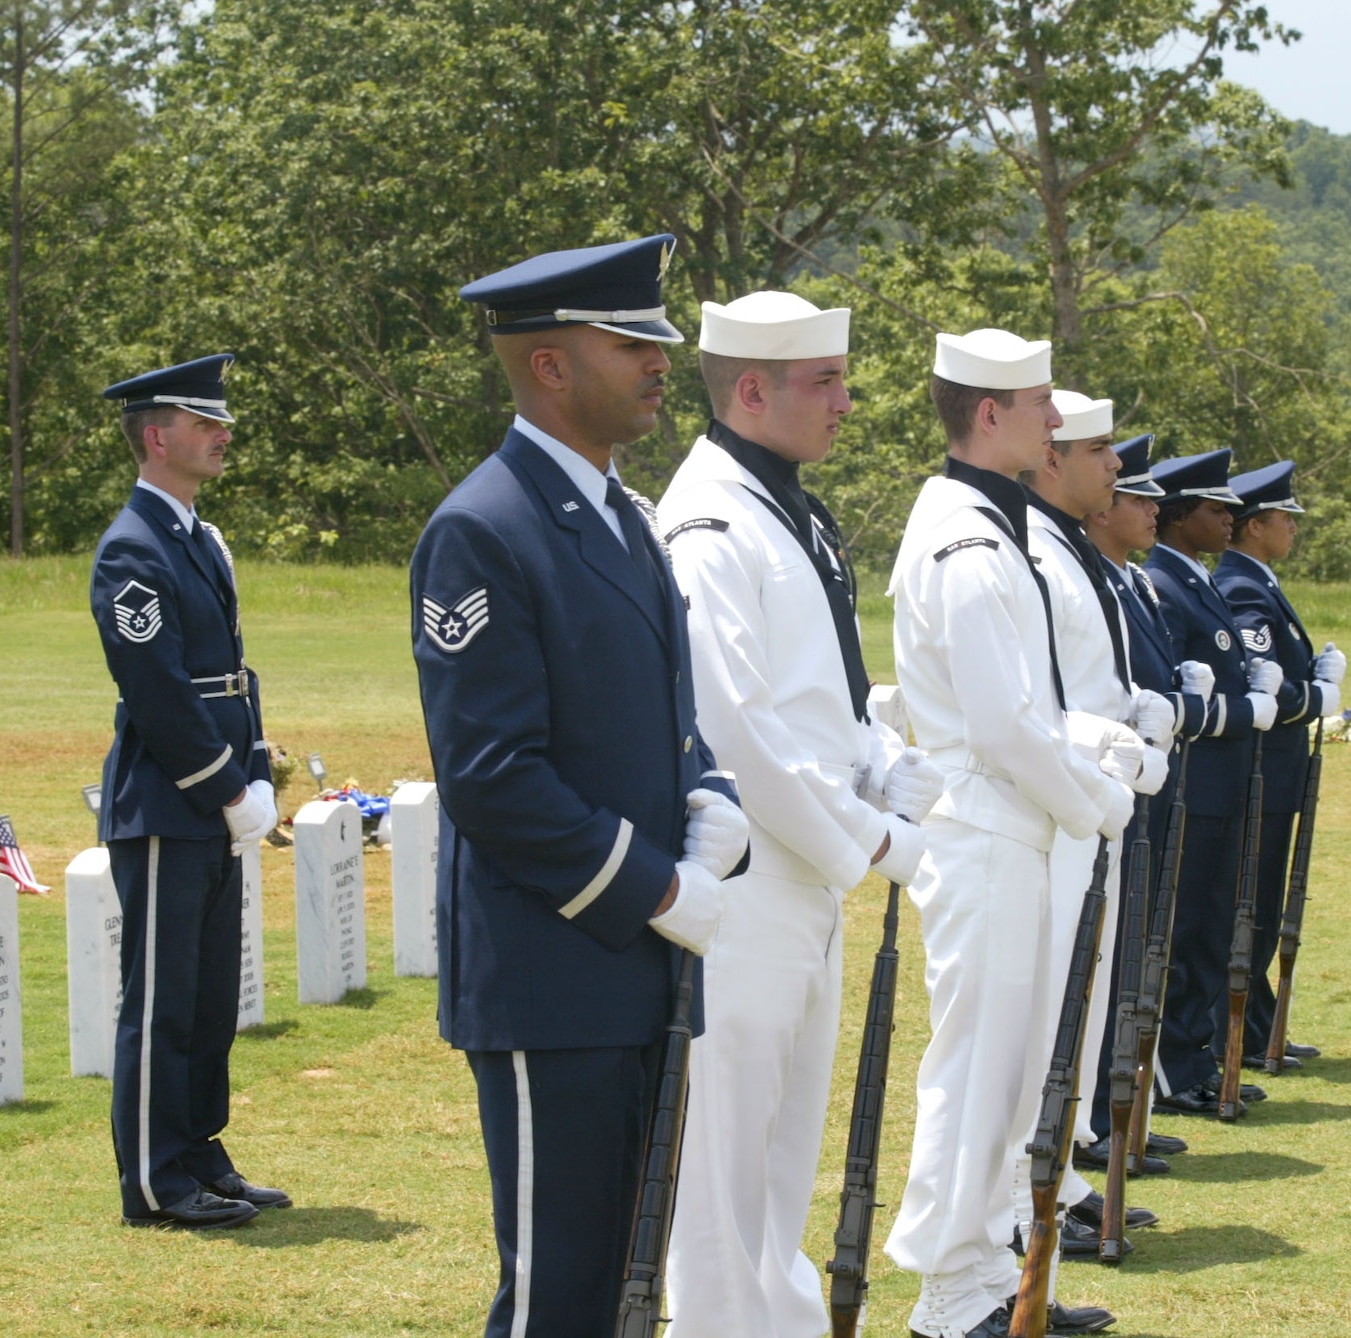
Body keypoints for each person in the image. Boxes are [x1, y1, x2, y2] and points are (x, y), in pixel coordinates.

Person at [410, 234, 751, 1337]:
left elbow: (658, 716)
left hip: (635, 970)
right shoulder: (483, 528)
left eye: (657, 341)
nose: (658, 363)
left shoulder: (623, 516)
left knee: (622, 1285)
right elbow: (490, 777)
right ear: (549, 365)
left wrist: (709, 802)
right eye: (629, 343)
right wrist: (656, 887)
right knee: (557, 1294)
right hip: (550, 975)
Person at [655, 290, 944, 1337]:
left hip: (803, 877)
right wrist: (867, 836)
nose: (847, 402)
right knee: (723, 1179)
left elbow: (818, 688)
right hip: (749, 886)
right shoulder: (709, 525)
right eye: (824, 381)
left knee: (781, 1164)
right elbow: (734, 725)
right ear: (748, 390)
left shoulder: (786, 508)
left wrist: (879, 765)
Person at [883, 329, 1137, 1338]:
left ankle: (989, 1276)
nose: (1054, 420)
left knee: (1013, 1070)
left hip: (1007, 828)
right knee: (979, 1068)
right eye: (1037, 404)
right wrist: (1095, 799)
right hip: (983, 830)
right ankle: (948, 1296)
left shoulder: (987, 529)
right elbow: (1000, 727)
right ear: (988, 416)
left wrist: (1089, 758)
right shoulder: (967, 544)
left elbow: (1026, 711)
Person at [90, 353, 284, 1230]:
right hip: (170, 806)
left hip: (211, 802)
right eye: (204, 423)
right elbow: (159, 691)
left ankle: (200, 1152)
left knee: (209, 1000)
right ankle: (152, 1180)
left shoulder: (198, 537)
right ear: (155, 435)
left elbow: (227, 675)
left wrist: (258, 765)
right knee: (163, 1000)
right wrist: (223, 787)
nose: (223, 433)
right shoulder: (132, 549)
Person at [1019, 394, 1173, 1275]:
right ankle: (1032, 1188)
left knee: (1087, 990)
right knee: (1050, 1005)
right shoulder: (1039, 552)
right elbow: (1041, 700)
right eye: (1101, 450)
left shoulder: (1071, 550)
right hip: (1065, 798)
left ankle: (1061, 1169)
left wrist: (1138, 713)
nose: (1117, 468)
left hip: (1100, 793)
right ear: (1053, 459)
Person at [1077, 434, 1212, 1162]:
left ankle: (1118, 1109)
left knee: (1137, 957)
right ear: (1103, 511)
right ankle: (1098, 1119)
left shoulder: (1132, 582)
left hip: (1150, 784)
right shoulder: (1095, 579)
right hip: (1113, 783)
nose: (1155, 509)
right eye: (1139, 498)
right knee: (1113, 956)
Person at [1141, 449, 1280, 1116]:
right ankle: (1171, 1067)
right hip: (1193, 788)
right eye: (1216, 509)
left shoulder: (1192, 581)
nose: (1230, 520)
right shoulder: (1165, 587)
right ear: (1177, 516)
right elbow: (1166, 697)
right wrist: (1233, 710)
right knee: (1187, 930)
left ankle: (1194, 1059)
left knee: (1211, 927)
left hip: (1222, 790)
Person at [1213, 461, 1344, 1072]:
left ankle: (1259, 1023)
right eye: (1285, 519)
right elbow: (1263, 682)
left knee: (1263, 905)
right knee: (1253, 903)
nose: (1293, 529)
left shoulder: (1257, 578)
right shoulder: (1242, 587)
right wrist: (1314, 696)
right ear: (1254, 525)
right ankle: (1241, 1026)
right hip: (1260, 769)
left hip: (1277, 770)